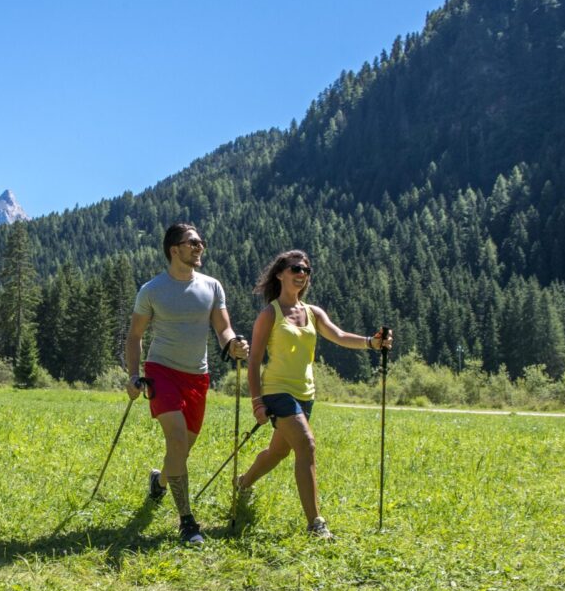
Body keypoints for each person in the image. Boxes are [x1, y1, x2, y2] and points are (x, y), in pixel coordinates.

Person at [234, 249, 392, 540]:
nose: (302, 274)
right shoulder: (270, 314)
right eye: (296, 268)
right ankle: (315, 523)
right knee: (306, 445)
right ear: (280, 273)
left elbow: (340, 336)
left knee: (279, 452)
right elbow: (254, 361)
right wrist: (257, 402)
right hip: (277, 391)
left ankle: (243, 483)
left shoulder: (312, 312)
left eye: (306, 270)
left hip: (306, 393)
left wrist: (372, 343)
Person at [125, 223, 248, 545]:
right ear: (174, 249)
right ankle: (187, 522)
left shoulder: (212, 286)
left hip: (198, 375)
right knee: (177, 441)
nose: (199, 248)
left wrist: (233, 344)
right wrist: (133, 374)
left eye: (201, 243)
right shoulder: (152, 290)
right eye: (193, 243)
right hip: (161, 370)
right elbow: (135, 335)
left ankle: (160, 481)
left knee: (183, 448)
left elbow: (223, 328)